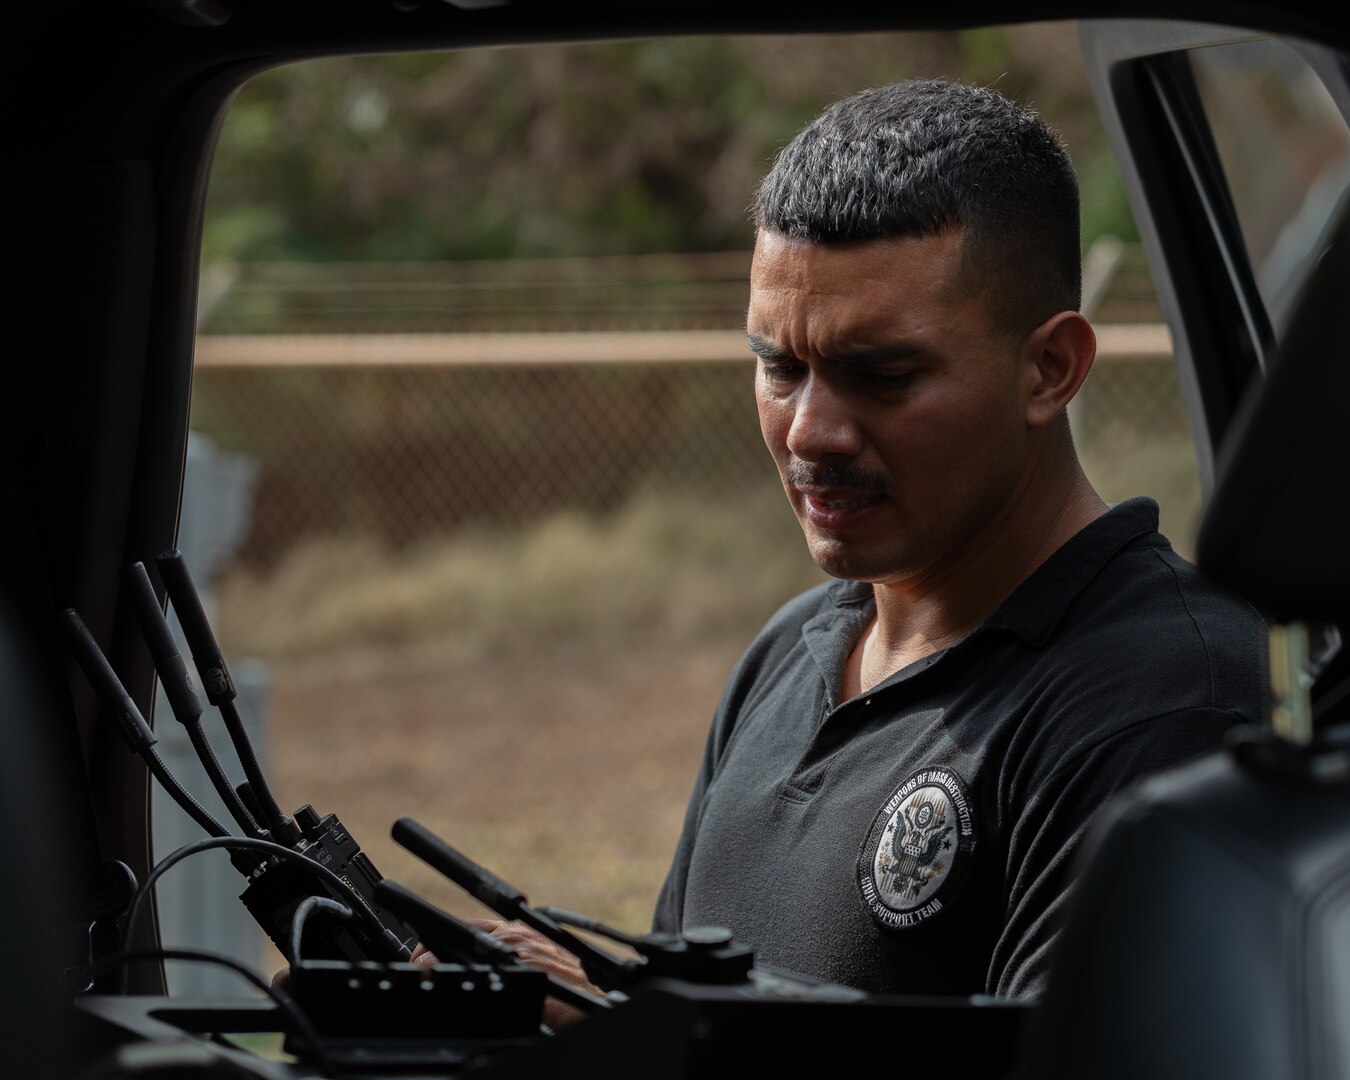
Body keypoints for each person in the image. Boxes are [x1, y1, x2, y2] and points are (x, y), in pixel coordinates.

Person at [422, 78, 1266, 1008]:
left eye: (882, 373)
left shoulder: (1169, 702)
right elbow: (684, 1019)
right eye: (779, 366)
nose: (810, 431)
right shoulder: (790, 653)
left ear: (1050, 369)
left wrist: (624, 1025)